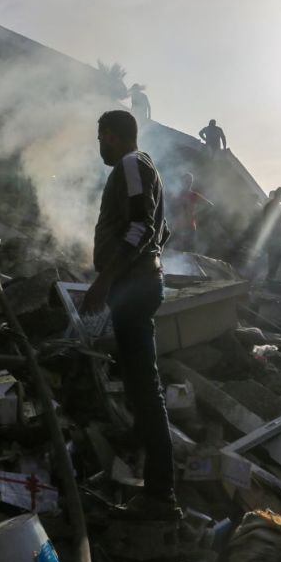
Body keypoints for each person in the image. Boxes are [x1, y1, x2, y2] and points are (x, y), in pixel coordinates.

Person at [80, 110, 179, 521]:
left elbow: (140, 226)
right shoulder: (144, 166)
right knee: (137, 377)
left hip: (133, 286)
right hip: (138, 283)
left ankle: (160, 494)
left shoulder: (130, 164)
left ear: (114, 137)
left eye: (101, 137)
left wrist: (105, 279)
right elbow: (162, 229)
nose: (99, 145)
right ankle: (138, 437)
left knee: (146, 387)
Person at [171, 172, 212, 252]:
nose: (188, 183)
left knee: (188, 252)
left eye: (190, 181)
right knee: (173, 251)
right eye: (186, 181)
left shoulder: (193, 195)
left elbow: (209, 205)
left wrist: (198, 214)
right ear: (182, 182)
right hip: (177, 227)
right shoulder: (177, 195)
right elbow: (172, 208)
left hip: (189, 227)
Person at [261, 187, 281, 280]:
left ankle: (270, 276)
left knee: (276, 254)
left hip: (275, 235)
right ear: (280, 195)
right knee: (275, 254)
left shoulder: (276, 205)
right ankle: (269, 277)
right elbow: (267, 221)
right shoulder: (272, 205)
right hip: (273, 235)